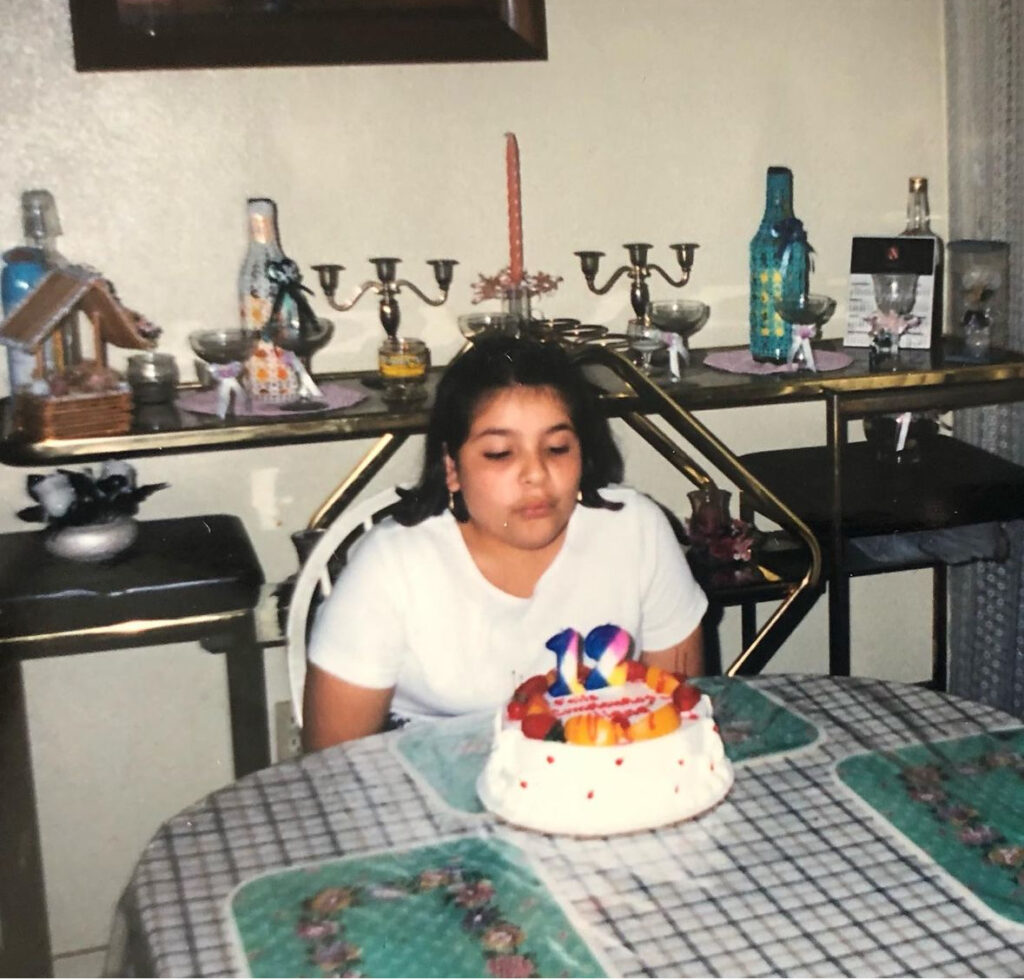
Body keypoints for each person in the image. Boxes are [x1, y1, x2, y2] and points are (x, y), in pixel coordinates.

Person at [303, 335, 708, 750]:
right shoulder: (391, 566)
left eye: (556, 447)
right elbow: (331, 766)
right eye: (499, 453)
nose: (535, 474)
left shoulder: (636, 532)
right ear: (452, 467)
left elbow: (680, 718)